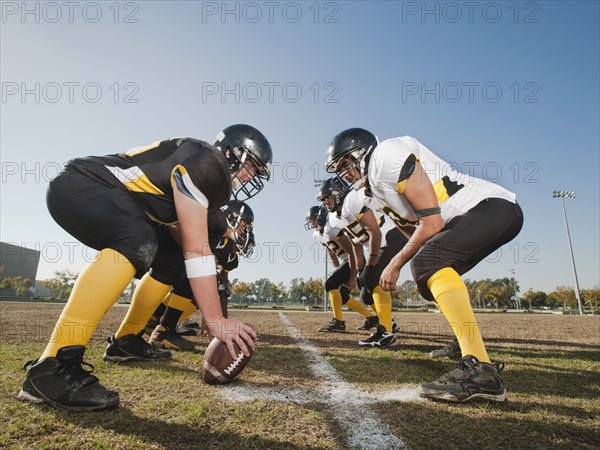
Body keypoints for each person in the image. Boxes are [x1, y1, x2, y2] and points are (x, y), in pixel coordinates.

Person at [18, 125, 272, 411]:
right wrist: (215, 320)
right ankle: (52, 367)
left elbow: (183, 238)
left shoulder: (202, 170)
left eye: (256, 172)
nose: (250, 176)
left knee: (169, 262)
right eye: (250, 165)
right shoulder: (208, 162)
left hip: (113, 197)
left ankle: (126, 340)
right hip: (82, 184)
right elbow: (197, 249)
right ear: (229, 152)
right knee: (138, 238)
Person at [325, 128, 523, 402]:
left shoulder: (386, 155)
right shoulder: (372, 193)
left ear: (363, 152)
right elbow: (415, 229)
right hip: (472, 217)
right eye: (339, 168)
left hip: (489, 206)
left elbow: (432, 223)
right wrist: (410, 260)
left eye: (346, 163)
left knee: (428, 263)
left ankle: (481, 372)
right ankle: (465, 345)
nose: (344, 173)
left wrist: (395, 263)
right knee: (428, 278)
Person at [147, 201, 255, 350]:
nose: (243, 231)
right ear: (231, 216)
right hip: (162, 243)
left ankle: (161, 326)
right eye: (243, 226)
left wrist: (213, 317)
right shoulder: (212, 221)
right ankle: (148, 325)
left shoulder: (222, 240)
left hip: (179, 255)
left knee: (190, 280)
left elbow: (208, 269)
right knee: (184, 274)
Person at [318, 178, 406, 347]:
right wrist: (359, 270)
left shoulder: (352, 199)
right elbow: (355, 242)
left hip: (390, 236)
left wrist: (371, 264)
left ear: (338, 192)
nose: (326, 201)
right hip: (378, 245)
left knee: (373, 278)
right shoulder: (335, 218)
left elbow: (375, 232)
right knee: (366, 292)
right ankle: (389, 324)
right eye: (323, 199)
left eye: (328, 196)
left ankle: (386, 332)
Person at [305, 203, 377, 332]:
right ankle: (372, 318)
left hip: (353, 260)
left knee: (331, 284)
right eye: (310, 220)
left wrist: (352, 277)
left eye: (313, 219)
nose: (312, 223)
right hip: (345, 262)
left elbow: (352, 252)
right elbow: (331, 253)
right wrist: (336, 270)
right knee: (343, 296)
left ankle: (338, 322)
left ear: (321, 217)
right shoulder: (317, 235)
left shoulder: (331, 228)